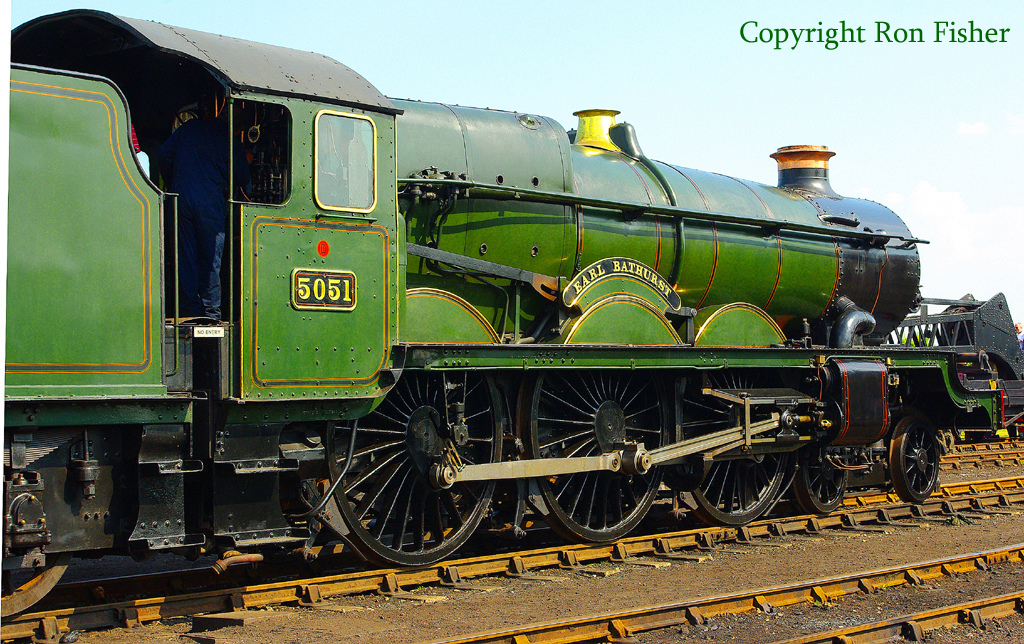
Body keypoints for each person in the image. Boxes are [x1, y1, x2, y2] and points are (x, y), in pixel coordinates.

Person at [158, 94, 249, 320]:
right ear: (237, 127)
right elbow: (244, 177)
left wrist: (175, 182)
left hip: (181, 198)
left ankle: (188, 311)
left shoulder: (189, 128)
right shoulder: (230, 139)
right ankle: (210, 313)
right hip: (210, 202)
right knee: (210, 259)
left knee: (185, 255)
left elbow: (163, 154)